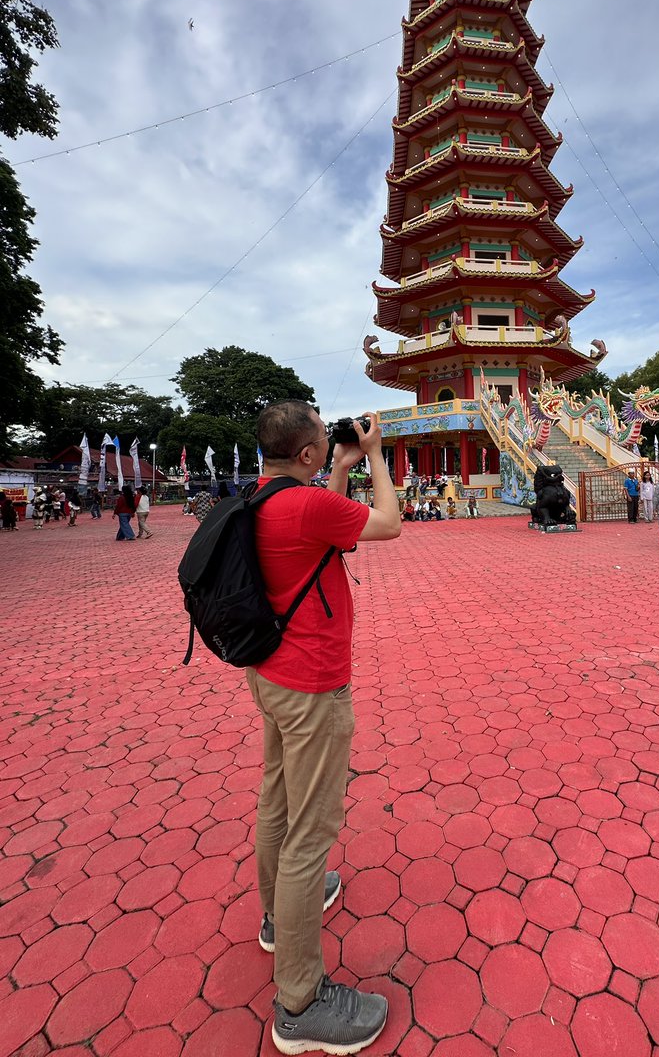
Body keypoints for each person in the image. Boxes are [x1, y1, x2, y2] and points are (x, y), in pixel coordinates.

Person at [245, 401, 400, 1055]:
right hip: (312, 687)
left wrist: (340, 465)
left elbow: (330, 538)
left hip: (271, 675)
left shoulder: (265, 497)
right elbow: (387, 524)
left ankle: (278, 920)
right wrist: (378, 459)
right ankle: (300, 1002)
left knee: (277, 801)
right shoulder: (306, 506)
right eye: (324, 445)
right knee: (312, 834)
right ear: (305, 455)